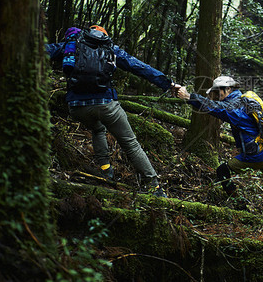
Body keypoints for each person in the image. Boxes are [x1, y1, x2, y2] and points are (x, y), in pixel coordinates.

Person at [46, 25, 172, 197]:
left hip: (76, 107)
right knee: (131, 144)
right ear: (104, 36)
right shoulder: (110, 47)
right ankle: (154, 186)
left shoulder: (72, 44)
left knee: (97, 129)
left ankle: (106, 170)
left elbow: (44, 50)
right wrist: (167, 83)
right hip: (107, 106)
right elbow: (138, 66)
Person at [175, 76, 263, 214]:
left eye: (217, 91)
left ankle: (241, 207)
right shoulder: (244, 100)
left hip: (256, 156)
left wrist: (189, 96)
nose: (216, 95)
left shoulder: (234, 107)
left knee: (222, 171)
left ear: (228, 89)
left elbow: (214, 108)